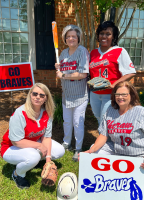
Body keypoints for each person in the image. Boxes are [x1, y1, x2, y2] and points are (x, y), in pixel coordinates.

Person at [84, 81, 144, 174]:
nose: (120, 97)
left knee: (131, 182)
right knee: (94, 149)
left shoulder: (143, 113)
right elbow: (103, 135)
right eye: (117, 94)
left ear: (131, 95)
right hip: (115, 151)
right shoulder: (110, 111)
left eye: (124, 94)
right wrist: (91, 151)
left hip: (137, 156)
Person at [0, 83, 65, 189]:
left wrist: (48, 160)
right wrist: (39, 146)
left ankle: (36, 162)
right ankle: (17, 174)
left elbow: (46, 137)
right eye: (34, 94)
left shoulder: (46, 113)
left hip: (31, 144)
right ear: (30, 95)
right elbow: (16, 141)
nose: (37, 97)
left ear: (46, 98)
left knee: (60, 151)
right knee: (34, 156)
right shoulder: (20, 113)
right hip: (10, 147)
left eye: (41, 95)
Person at [89, 21, 136, 124]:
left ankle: (107, 140)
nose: (104, 36)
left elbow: (130, 72)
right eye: (101, 33)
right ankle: (104, 139)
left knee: (107, 119)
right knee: (98, 118)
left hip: (110, 94)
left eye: (108, 34)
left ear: (113, 36)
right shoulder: (93, 53)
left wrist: (114, 85)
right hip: (94, 93)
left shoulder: (119, 51)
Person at [55, 25, 89, 162]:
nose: (71, 38)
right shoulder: (63, 54)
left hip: (80, 95)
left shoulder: (82, 51)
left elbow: (82, 74)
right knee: (67, 122)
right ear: (64, 38)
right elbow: (61, 72)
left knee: (77, 122)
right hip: (66, 95)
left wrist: (62, 75)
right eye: (68, 36)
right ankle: (66, 143)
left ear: (78, 38)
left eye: (73, 36)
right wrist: (58, 67)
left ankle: (78, 148)